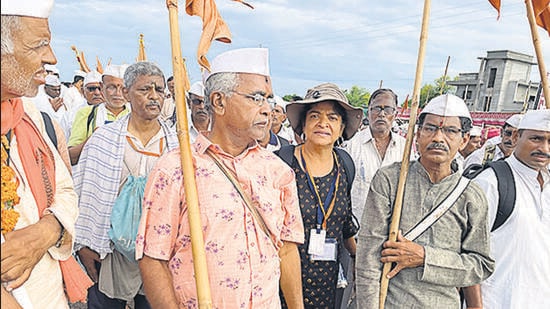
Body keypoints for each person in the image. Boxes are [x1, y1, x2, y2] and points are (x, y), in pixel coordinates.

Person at [136, 48, 305, 308]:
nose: (266, 110)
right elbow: (153, 259)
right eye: (256, 98)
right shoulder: (176, 168)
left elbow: (287, 249)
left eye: (269, 100)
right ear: (219, 101)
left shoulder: (277, 171)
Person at [356, 94, 495, 308]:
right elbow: (368, 258)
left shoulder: (471, 196)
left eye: (450, 131)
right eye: (430, 128)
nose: (438, 138)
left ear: (464, 140)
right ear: (418, 134)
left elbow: (480, 265)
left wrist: (425, 257)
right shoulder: (390, 180)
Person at [1, 1, 88, 307]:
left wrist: (45, 232)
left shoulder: (32, 116)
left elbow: (65, 190)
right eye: (39, 46)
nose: (51, 58)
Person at [73, 61, 178, 308]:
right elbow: (86, 194)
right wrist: (84, 247)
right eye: (145, 90)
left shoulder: (177, 144)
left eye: (159, 90)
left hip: (159, 252)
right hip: (109, 250)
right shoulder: (103, 140)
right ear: (127, 93)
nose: (154, 97)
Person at [277, 82, 362, 308]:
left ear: (342, 127)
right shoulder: (281, 163)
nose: (323, 123)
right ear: (303, 124)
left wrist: (359, 258)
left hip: (328, 281)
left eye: (332, 118)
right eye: (314, 116)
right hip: (281, 280)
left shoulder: (344, 164)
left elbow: (345, 221)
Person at [467, 109, 549, 309]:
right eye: (536, 138)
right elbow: (469, 255)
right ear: (515, 136)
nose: (544, 148)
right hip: (497, 301)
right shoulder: (491, 182)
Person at [341, 88, 407, 222]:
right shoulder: (351, 146)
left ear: (395, 114)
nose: (382, 114)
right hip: (357, 230)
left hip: (392, 230)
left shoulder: (405, 148)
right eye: (377, 108)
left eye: (388, 109)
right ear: (369, 112)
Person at [68, 65, 130, 165]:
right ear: (102, 87)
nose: (118, 93)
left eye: (123, 88)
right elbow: (71, 157)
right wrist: (94, 139)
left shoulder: (136, 115)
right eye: (112, 87)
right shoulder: (87, 114)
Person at [60, 70, 104, 139]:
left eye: (100, 88)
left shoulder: (114, 112)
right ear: (83, 91)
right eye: (91, 89)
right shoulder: (70, 115)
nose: (97, 93)